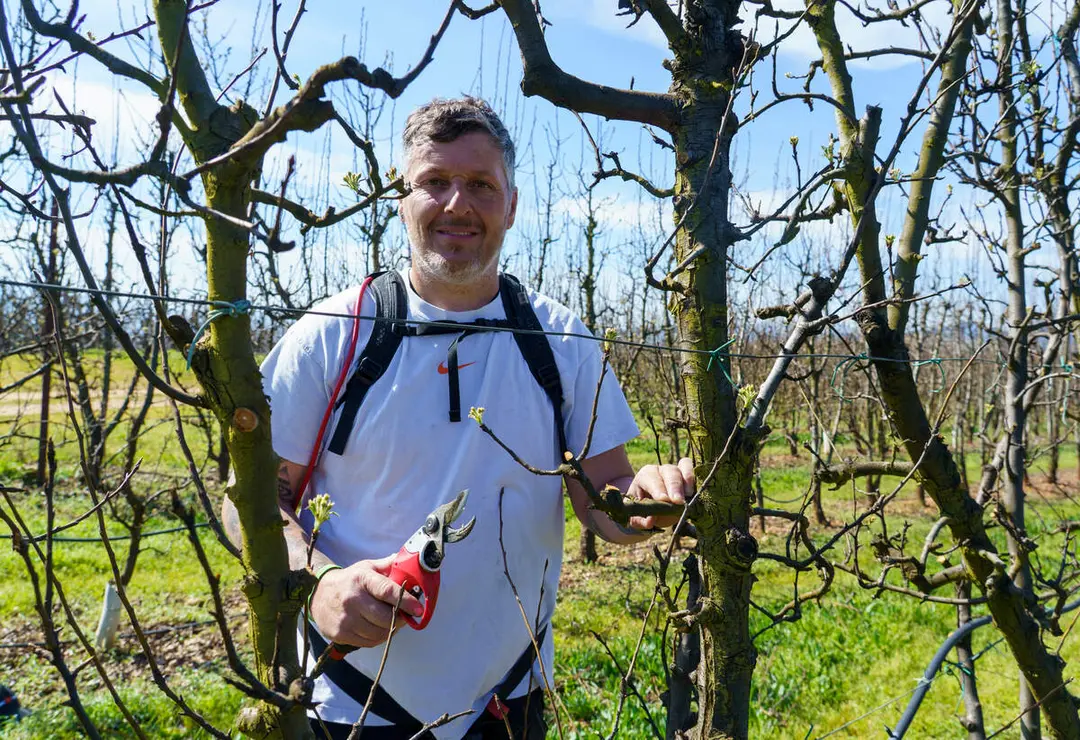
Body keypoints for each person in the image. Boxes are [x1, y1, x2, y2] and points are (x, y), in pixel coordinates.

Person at [223, 97, 694, 740]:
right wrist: (322, 584)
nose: (456, 205)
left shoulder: (557, 339)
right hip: (354, 701)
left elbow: (603, 504)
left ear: (511, 205)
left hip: (509, 701)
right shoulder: (333, 335)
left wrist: (645, 502)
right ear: (401, 197)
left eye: (480, 185)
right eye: (435, 182)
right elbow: (247, 504)